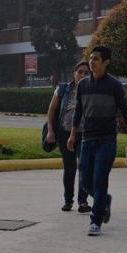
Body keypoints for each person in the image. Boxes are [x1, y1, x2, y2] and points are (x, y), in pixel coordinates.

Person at [68, 45, 127, 236]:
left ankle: (96, 221)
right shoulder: (83, 85)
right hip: (87, 139)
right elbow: (78, 112)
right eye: (91, 58)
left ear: (106, 62)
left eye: (96, 59)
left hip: (107, 141)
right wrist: (73, 134)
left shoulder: (114, 85)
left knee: (99, 180)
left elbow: (125, 111)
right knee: (85, 183)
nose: (92, 62)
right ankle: (104, 200)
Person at [44, 60, 92, 213]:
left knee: (83, 167)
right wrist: (51, 132)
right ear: (74, 73)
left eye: (86, 73)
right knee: (69, 168)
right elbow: (51, 111)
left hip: (85, 134)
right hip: (64, 133)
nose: (83, 75)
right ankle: (68, 201)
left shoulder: (92, 90)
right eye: (80, 72)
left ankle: (82, 202)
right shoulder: (63, 89)